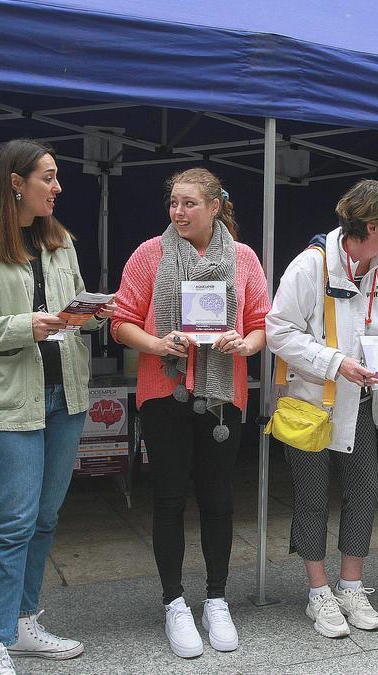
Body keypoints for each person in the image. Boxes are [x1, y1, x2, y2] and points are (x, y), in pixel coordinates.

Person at [0, 139, 113, 675]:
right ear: (16, 182)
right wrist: (23, 327)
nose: (58, 188)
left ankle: (24, 622)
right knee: (8, 521)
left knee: (43, 517)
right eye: (49, 178)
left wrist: (91, 315)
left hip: (65, 397)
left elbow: (75, 301)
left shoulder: (61, 244)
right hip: (6, 403)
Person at [111, 167, 270, 658]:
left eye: (188, 204)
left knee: (220, 500)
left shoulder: (242, 258)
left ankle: (217, 598)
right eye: (174, 203)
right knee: (170, 500)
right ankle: (174, 601)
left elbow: (263, 323)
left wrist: (245, 345)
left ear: (215, 207)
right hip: (165, 392)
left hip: (224, 397)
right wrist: (158, 343)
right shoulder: (150, 253)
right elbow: (119, 322)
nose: (178, 212)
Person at [266, 179, 378, 638]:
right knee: (312, 500)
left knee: (364, 494)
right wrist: (335, 363)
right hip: (311, 404)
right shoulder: (309, 267)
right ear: (369, 226)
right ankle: (318, 593)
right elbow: (278, 331)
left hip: (363, 401)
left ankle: (351, 586)